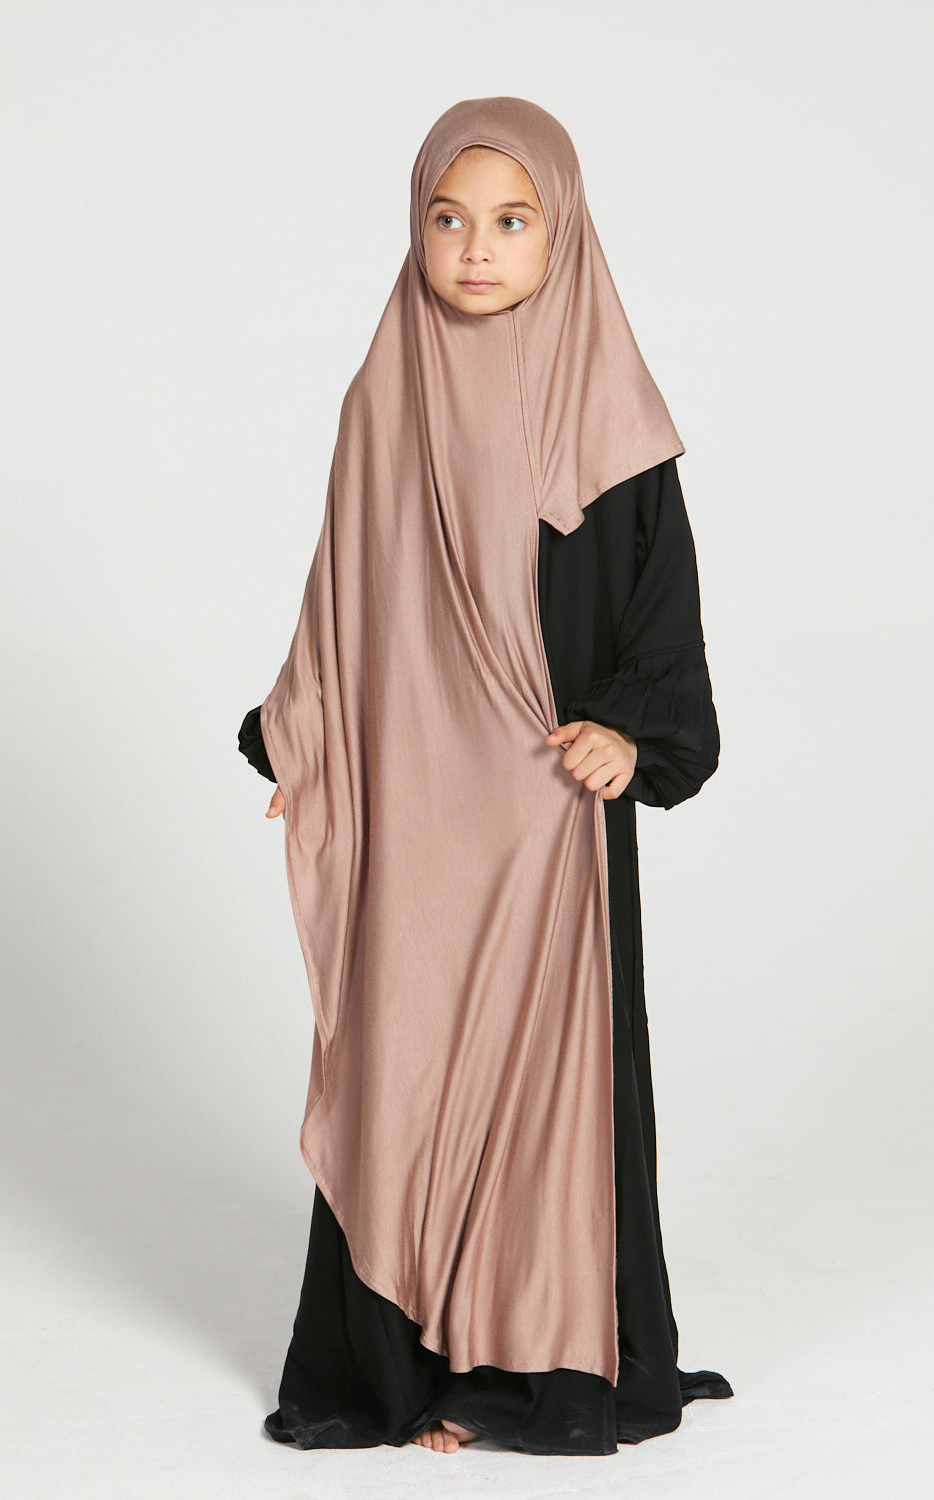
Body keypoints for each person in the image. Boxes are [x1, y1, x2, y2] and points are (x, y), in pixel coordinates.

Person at [238, 96, 733, 1456]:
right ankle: (403, 1372)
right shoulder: (383, 395)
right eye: (448, 219)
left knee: (544, 1097)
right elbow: (344, 596)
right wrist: (306, 738)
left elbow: (663, 618)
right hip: (417, 806)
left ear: (562, 234)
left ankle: (522, 1371)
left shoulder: (610, 414)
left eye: (512, 222)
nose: (475, 248)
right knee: (407, 1067)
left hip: (548, 815)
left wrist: (631, 734)